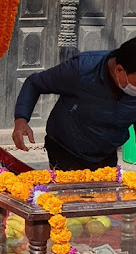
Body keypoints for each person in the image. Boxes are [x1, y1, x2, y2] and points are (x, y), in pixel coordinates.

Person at [12, 37, 136, 171]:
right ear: (119, 70)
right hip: (67, 150)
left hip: (106, 153)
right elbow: (35, 83)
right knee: (71, 190)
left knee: (105, 190)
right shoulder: (82, 69)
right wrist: (21, 119)